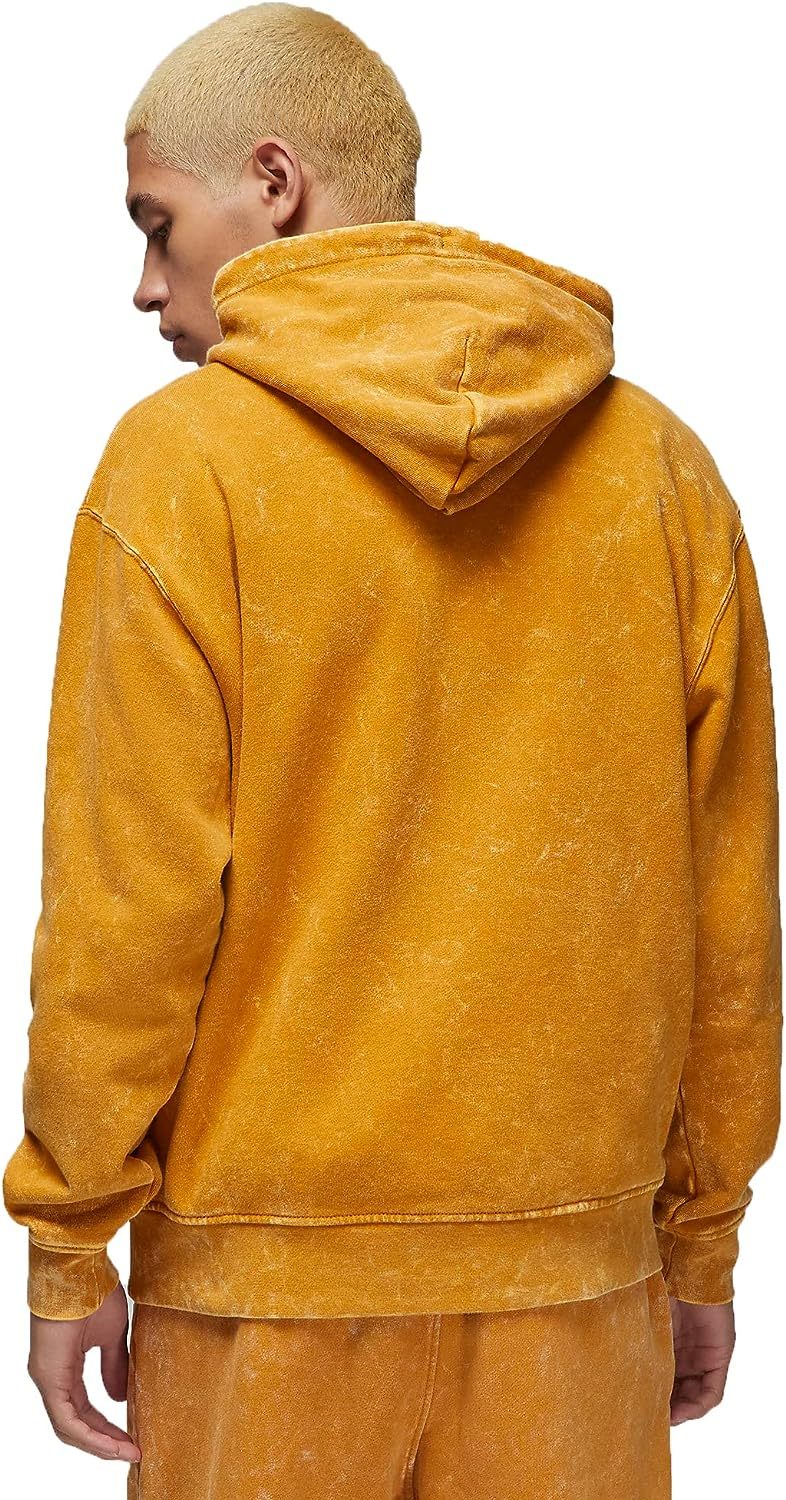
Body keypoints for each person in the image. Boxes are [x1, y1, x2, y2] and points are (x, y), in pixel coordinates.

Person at [3, 5, 781, 1497]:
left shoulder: (184, 468)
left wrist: (67, 1239)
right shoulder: (659, 473)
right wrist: (700, 1240)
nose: (146, 284)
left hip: (263, 1297)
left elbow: (125, 913)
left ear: (274, 183)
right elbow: (729, 914)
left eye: (156, 225)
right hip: (577, 1285)